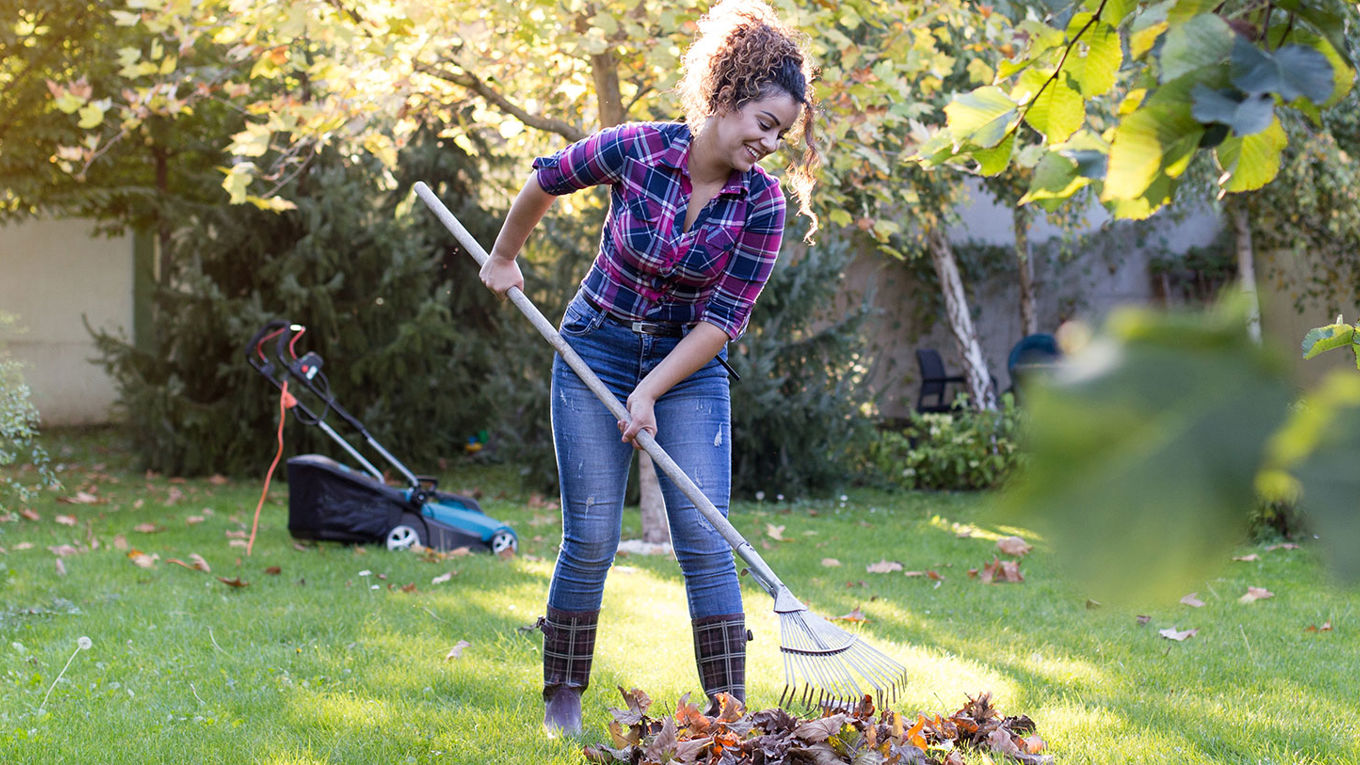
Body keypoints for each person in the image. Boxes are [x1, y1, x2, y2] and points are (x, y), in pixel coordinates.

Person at [478, 0, 820, 735]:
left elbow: (721, 321)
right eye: (764, 122)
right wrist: (504, 258)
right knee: (593, 532)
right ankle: (562, 696)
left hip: (687, 368)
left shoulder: (762, 205)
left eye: (782, 133)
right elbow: (547, 177)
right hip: (593, 343)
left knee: (705, 535)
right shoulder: (637, 149)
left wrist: (650, 388)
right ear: (727, 97)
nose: (770, 143)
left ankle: (730, 712)